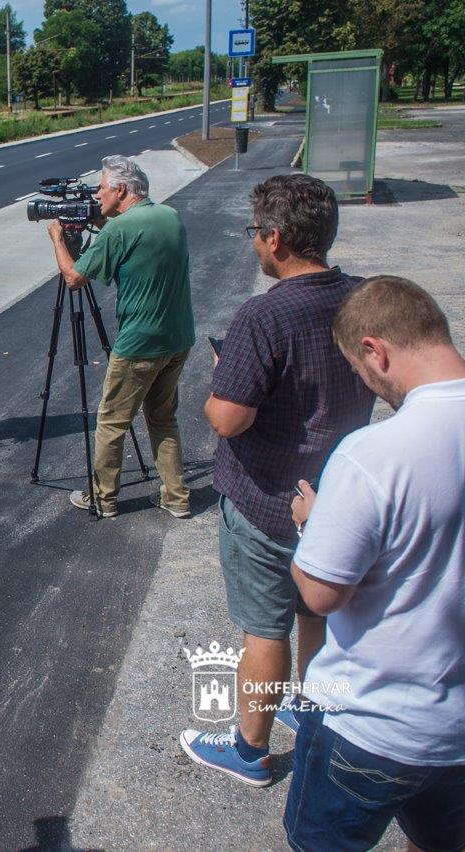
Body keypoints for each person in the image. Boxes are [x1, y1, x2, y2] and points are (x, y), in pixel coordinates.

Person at [180, 174, 375, 787]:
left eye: (254, 235)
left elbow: (229, 418)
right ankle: (311, 712)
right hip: (333, 499)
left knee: (265, 629)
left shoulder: (263, 315)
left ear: (276, 238)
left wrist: (222, 379)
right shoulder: (364, 298)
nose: (254, 246)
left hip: (266, 501)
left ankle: (250, 751)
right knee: (315, 613)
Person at [283, 276, 465, 850]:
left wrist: (312, 524)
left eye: (360, 372)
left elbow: (321, 594)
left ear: (375, 351)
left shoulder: (374, 453)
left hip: (370, 724)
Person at [48, 154, 195, 518]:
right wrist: (104, 223)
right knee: (163, 418)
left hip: (139, 343)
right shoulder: (170, 217)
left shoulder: (119, 230)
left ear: (121, 189)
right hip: (177, 337)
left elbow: (74, 278)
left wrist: (57, 238)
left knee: (111, 422)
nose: (97, 195)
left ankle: (104, 498)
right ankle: (177, 498)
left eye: (101, 187)